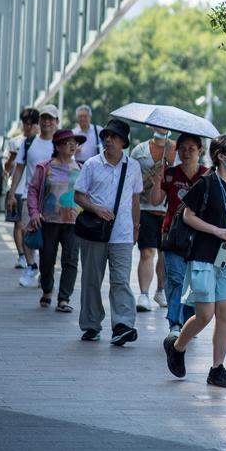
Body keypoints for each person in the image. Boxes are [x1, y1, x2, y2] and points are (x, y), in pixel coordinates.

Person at [163, 135, 226, 388]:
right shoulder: (206, 184)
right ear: (221, 156)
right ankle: (176, 346)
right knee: (205, 314)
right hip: (202, 256)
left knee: (224, 314)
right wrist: (216, 231)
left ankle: (217, 368)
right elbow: (188, 216)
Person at [74, 119, 143, 345]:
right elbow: (79, 195)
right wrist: (95, 208)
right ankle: (91, 325)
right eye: (106, 135)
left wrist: (136, 227)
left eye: (113, 136)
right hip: (95, 231)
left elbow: (135, 200)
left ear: (124, 142)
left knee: (121, 281)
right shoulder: (92, 164)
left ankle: (123, 325)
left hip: (122, 234)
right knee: (92, 280)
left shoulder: (132, 167)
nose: (108, 139)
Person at [151, 133, 207, 336]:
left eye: (191, 148)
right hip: (173, 234)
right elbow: (156, 200)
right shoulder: (170, 174)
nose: (186, 152)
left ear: (200, 150)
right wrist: (157, 180)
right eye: (182, 148)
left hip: (199, 235)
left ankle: (188, 323)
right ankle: (175, 323)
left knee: (193, 280)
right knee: (175, 277)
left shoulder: (207, 175)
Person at [25, 129, 85, 312]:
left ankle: (64, 298)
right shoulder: (45, 167)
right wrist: (34, 213)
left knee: (71, 260)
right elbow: (33, 190)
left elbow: (87, 193)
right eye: (68, 142)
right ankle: (47, 290)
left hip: (74, 223)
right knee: (47, 258)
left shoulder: (82, 168)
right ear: (57, 146)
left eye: (75, 142)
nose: (73, 145)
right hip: (48, 220)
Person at [7, 104, 59, 287]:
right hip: (30, 196)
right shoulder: (28, 143)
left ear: (56, 122)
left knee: (50, 237)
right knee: (27, 230)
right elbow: (19, 168)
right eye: (44, 118)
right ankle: (31, 265)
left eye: (50, 119)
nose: (47, 122)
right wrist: (12, 193)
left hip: (53, 199)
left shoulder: (60, 144)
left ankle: (46, 271)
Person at [130, 127, 177, 312]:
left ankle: (161, 290)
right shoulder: (139, 151)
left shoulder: (177, 149)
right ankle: (143, 294)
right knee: (147, 252)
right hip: (145, 207)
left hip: (169, 209)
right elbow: (131, 178)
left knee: (164, 253)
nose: (162, 128)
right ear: (150, 126)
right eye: (157, 124)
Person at [3, 107, 40, 270]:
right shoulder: (15, 142)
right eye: (26, 123)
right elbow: (7, 168)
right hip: (18, 189)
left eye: (32, 123)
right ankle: (22, 255)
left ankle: (30, 256)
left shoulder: (42, 143)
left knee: (29, 226)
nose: (28, 127)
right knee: (19, 225)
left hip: (35, 191)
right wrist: (11, 157)